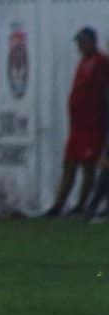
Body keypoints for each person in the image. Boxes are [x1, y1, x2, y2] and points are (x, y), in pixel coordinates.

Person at [43, 27, 109, 217]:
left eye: (82, 41)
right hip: (77, 126)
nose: (79, 46)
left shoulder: (101, 61)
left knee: (87, 166)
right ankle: (58, 205)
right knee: (69, 163)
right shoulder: (83, 62)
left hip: (92, 125)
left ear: (91, 42)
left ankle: (81, 205)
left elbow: (104, 92)